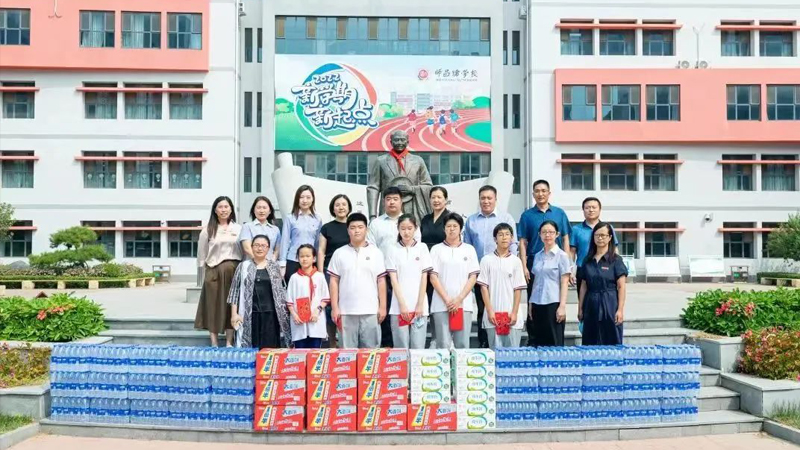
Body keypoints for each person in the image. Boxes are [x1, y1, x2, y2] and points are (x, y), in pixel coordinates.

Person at [464, 185, 519, 348]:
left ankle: (505, 345)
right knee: (483, 309)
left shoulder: (506, 218)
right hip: (480, 273)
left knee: (503, 306)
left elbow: (513, 244)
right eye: (483, 198)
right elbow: (468, 246)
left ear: (496, 199)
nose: (486, 201)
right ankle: (484, 343)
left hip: (503, 272)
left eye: (489, 198)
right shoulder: (471, 221)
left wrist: (511, 266)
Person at [518, 179, 571, 346]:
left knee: (554, 300)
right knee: (534, 302)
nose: (540, 194)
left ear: (549, 193)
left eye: (543, 191)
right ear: (533, 194)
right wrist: (524, 266)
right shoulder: (527, 215)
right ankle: (534, 340)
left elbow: (566, 238)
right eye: (537, 191)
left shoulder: (559, 213)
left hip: (556, 263)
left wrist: (569, 265)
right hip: (535, 262)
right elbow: (522, 242)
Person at [369, 186, 422, 347]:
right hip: (383, 276)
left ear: (401, 201)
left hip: (407, 276)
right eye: (388, 199)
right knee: (385, 311)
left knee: (406, 309)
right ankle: (387, 347)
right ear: (383, 202)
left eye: (395, 199)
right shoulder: (376, 224)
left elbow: (416, 247)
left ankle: (409, 348)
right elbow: (371, 249)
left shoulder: (410, 222)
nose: (391, 202)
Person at [328, 213, 388, 349]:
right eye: (353, 227)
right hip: (346, 311)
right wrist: (335, 307)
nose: (357, 231)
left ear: (366, 229)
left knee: (371, 352)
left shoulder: (376, 253)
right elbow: (334, 281)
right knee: (347, 353)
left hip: (371, 310)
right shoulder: (339, 253)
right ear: (348, 230)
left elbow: (381, 281)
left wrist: (382, 306)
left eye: (360, 227)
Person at [228, 234, 291, 349]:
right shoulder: (243, 266)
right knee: (251, 348)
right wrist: (234, 314)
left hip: (271, 315)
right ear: (251, 247)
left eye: (263, 246)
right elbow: (234, 291)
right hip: (249, 314)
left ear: (268, 248)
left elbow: (281, 292)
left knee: (270, 348)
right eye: (256, 245)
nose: (260, 248)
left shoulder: (274, 267)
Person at [196, 196, 242, 347]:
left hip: (233, 271)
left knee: (231, 306)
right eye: (220, 207)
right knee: (213, 306)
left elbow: (243, 251)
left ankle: (229, 341)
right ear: (215, 210)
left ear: (231, 209)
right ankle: (214, 342)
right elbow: (202, 255)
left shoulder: (238, 229)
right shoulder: (207, 230)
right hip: (213, 272)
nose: (223, 210)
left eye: (226, 207)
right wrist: (203, 277)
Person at [430, 213, 480, 349]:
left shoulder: (469, 249)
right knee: (443, 344)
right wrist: (447, 300)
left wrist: (459, 299)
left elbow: (473, 277)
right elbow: (433, 277)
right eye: (448, 226)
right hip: (441, 304)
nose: (451, 229)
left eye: (455, 226)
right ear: (444, 229)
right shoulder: (436, 250)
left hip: (463, 305)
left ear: (460, 229)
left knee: (462, 344)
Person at [386, 215, 433, 349]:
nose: (406, 232)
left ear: (415, 229)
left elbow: (424, 277)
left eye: (409, 228)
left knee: (418, 348)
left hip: (419, 307)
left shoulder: (422, 248)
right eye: (403, 228)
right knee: (401, 348)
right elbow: (393, 279)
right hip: (398, 307)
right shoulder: (392, 249)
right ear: (398, 229)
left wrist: (419, 305)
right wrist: (402, 305)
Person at [366, 129, 433, 224]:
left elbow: (428, 186)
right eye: (396, 140)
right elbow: (373, 187)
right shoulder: (380, 161)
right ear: (391, 142)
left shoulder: (418, 161)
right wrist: (372, 215)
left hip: (412, 209)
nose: (399, 143)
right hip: (388, 209)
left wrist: (412, 189)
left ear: (407, 141)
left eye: (402, 140)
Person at [477, 223, 527, 349]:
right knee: (495, 352)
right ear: (495, 239)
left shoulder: (516, 261)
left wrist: (514, 312)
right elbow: (483, 288)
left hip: (510, 315)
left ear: (512, 238)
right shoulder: (486, 260)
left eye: (507, 234)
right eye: (500, 235)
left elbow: (518, 289)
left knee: (512, 353)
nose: (504, 237)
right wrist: (489, 311)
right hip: (493, 315)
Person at [578, 222, 628, 346]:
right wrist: (580, 308)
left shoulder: (616, 260)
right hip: (591, 302)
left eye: (603, 235)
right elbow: (583, 285)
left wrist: (620, 310)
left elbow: (621, 286)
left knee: (611, 339)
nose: (600, 238)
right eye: (597, 235)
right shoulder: (587, 260)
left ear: (610, 237)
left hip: (610, 302)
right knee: (590, 339)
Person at [529, 220, 571, 347]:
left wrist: (562, 306)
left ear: (557, 234)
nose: (547, 235)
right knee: (539, 342)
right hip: (537, 303)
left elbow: (564, 282)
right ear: (539, 234)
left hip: (553, 303)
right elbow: (535, 281)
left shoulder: (562, 256)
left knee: (554, 342)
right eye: (544, 232)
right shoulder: (537, 256)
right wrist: (530, 303)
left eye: (551, 232)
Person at [317, 194, 352, 348]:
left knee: (346, 304)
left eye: (344, 204)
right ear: (333, 208)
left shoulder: (353, 226)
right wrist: (320, 273)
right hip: (330, 272)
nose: (341, 207)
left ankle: (346, 340)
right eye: (337, 205)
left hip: (350, 271)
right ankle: (332, 341)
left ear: (349, 207)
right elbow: (321, 251)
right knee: (331, 306)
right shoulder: (327, 227)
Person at [570, 197, 618, 295]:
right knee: (583, 299)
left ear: (600, 209)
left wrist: (617, 267)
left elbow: (614, 249)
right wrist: (571, 271)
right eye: (587, 208)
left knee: (605, 297)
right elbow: (572, 252)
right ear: (583, 210)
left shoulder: (608, 228)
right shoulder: (576, 229)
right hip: (583, 269)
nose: (591, 210)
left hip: (605, 268)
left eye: (594, 207)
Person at [287, 244, 330, 349]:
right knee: (299, 353)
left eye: (307, 256)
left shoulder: (319, 276)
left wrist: (317, 310)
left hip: (315, 320)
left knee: (315, 352)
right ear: (297, 259)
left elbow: (325, 298)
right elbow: (289, 300)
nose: (304, 259)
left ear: (314, 258)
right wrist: (294, 315)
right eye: (301, 256)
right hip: (299, 321)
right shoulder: (294, 278)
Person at [279, 185, 321, 284]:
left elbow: (317, 243)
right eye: (301, 197)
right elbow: (285, 241)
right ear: (297, 199)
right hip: (293, 260)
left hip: (310, 261)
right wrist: (282, 264)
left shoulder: (318, 219)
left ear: (313, 199)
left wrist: (317, 262)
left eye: (308, 197)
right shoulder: (290, 218)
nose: (305, 200)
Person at [240, 196, 281, 261]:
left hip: (270, 264)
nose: (261, 211)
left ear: (270, 211)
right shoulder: (247, 226)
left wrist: (272, 261)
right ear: (254, 210)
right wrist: (258, 261)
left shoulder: (275, 229)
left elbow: (277, 249)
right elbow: (247, 248)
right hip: (251, 263)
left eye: (264, 208)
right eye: (259, 208)